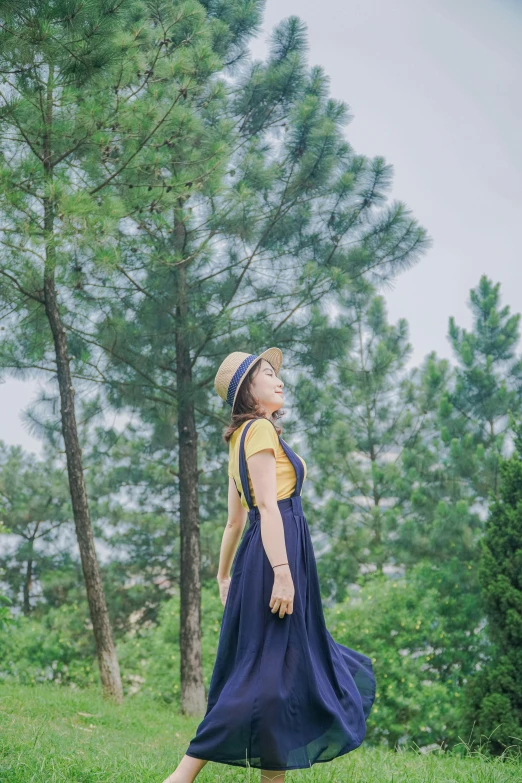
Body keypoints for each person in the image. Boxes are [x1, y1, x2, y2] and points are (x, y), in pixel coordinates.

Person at [162, 348, 376, 783]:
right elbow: (267, 508)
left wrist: (224, 575)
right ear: (247, 390)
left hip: (267, 554)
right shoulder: (259, 430)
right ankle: (180, 777)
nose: (277, 379)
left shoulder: (240, 439)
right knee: (262, 674)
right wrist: (282, 572)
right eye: (266, 373)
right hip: (276, 555)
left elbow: (233, 521)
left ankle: (269, 779)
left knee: (283, 672)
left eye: (276, 372)